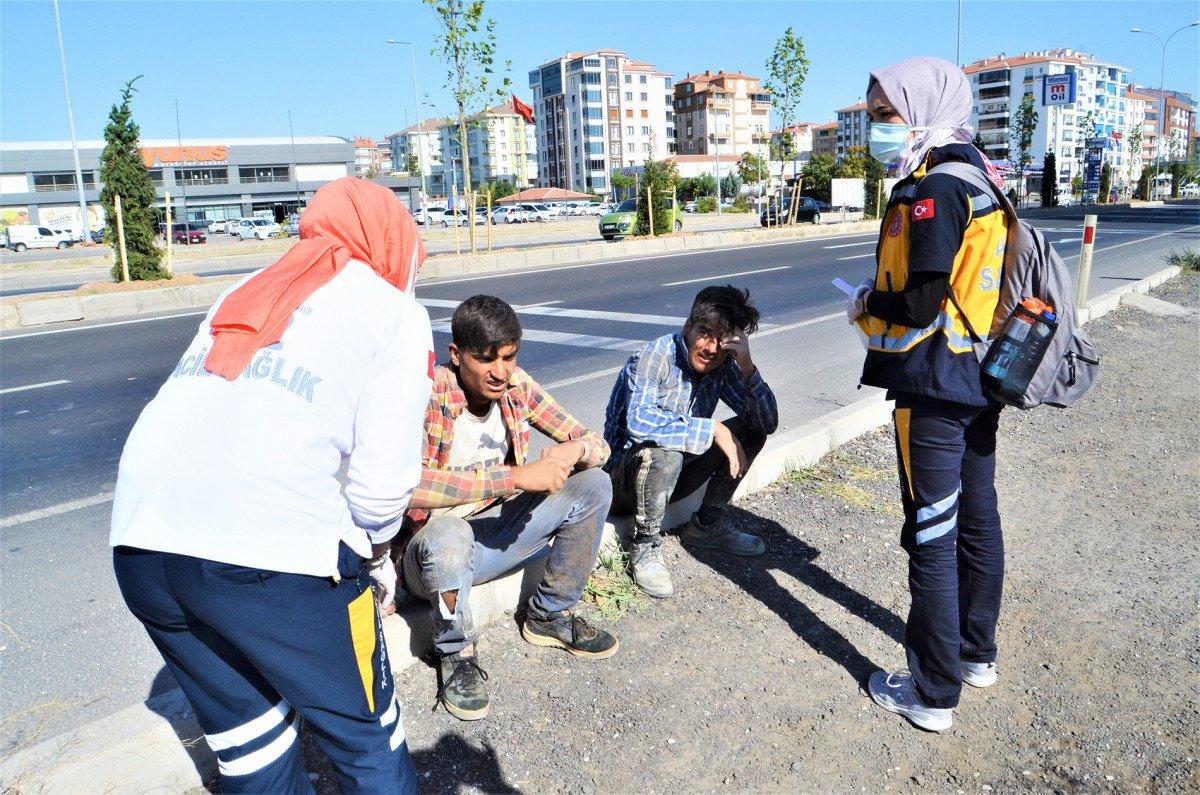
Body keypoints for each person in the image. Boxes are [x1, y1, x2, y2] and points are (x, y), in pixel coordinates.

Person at [110, 178, 431, 793]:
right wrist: (373, 556)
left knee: (253, 750)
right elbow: (380, 491)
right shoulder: (395, 312)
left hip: (141, 545)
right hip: (269, 554)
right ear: (393, 244)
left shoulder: (243, 288)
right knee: (367, 736)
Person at [846, 57, 1009, 732]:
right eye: (873, 116)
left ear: (923, 107)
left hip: (933, 381)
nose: (878, 129)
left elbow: (917, 302)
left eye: (887, 115)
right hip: (977, 375)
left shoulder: (934, 189)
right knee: (976, 516)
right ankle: (975, 653)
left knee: (933, 532)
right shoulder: (980, 174)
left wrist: (865, 301)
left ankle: (933, 691)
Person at [401, 295, 618, 722]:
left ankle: (549, 616)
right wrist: (515, 477)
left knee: (594, 484)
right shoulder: (428, 394)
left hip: (501, 530)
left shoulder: (517, 387)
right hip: (433, 554)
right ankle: (456, 654)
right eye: (486, 360)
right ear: (457, 355)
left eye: (509, 357)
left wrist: (572, 450)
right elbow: (407, 487)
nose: (500, 372)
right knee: (449, 534)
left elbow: (598, 443)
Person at [603, 285, 778, 598]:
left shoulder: (722, 364)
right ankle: (643, 546)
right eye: (705, 333)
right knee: (665, 450)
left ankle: (707, 526)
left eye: (722, 342)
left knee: (751, 430)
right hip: (624, 480)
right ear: (688, 327)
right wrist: (712, 429)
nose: (711, 348)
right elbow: (639, 425)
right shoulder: (656, 356)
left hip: (674, 475)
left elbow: (767, 422)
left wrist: (747, 366)